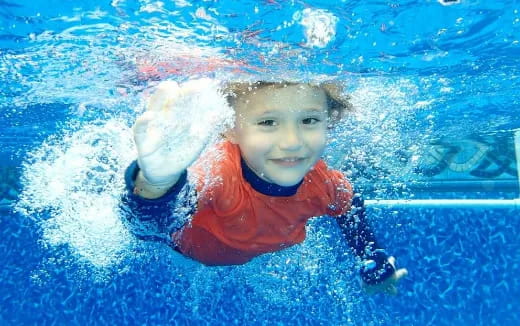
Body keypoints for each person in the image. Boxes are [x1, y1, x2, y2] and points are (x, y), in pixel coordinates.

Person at [121, 79, 407, 295]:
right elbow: (148, 227)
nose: (292, 141)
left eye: (309, 120)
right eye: (268, 122)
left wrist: (371, 259)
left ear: (328, 122)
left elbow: (349, 206)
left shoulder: (324, 183)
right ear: (230, 128)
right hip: (182, 248)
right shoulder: (218, 172)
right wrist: (159, 184)